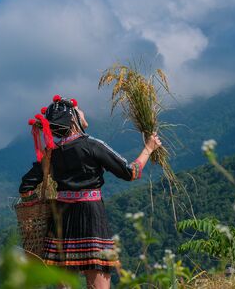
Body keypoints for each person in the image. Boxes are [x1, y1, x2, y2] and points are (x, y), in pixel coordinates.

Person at [18, 95, 162, 289]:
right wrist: (149, 148)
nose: (83, 112)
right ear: (73, 119)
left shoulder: (52, 154)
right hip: (91, 217)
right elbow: (130, 172)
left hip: (61, 219)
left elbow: (26, 187)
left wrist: (42, 204)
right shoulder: (92, 146)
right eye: (79, 111)